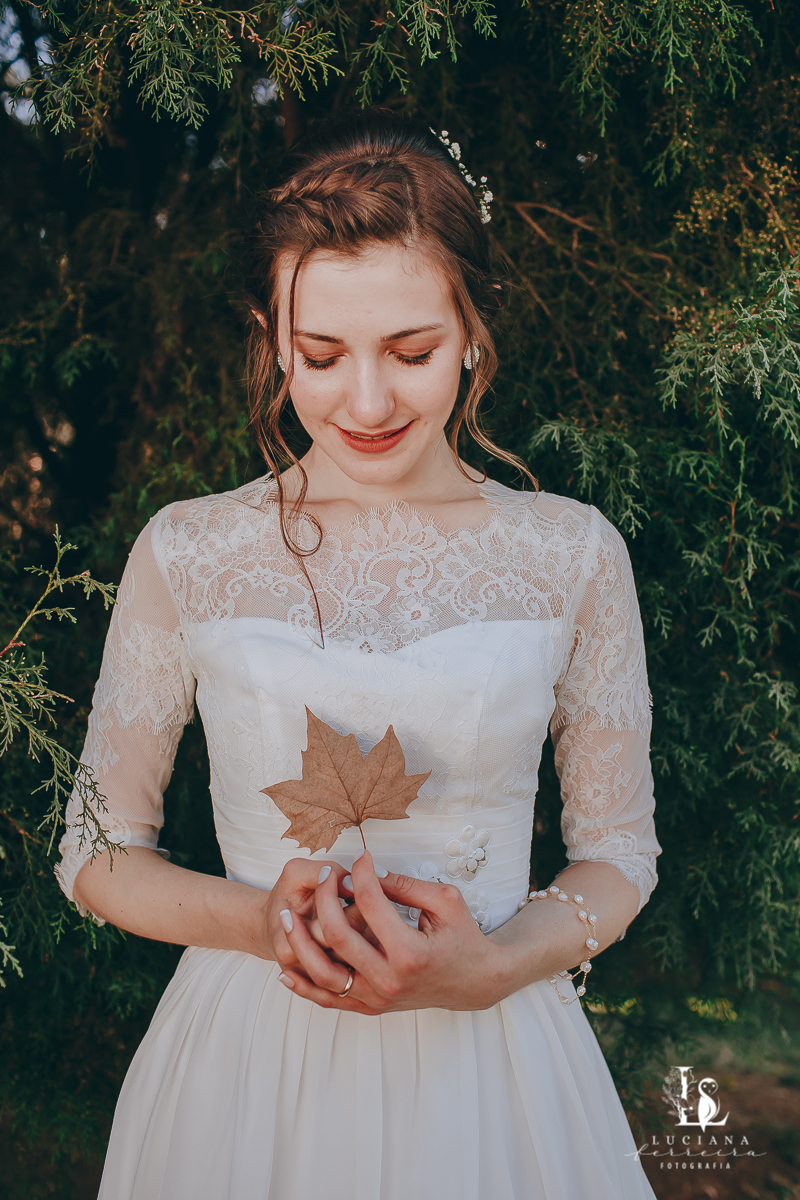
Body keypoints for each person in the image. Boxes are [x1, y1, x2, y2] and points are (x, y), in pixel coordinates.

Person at [56, 109, 660, 1200]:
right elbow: (95, 853)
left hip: (492, 1067)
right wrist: (259, 919)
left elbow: (619, 851)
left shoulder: (569, 553)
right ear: (269, 334)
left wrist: (496, 966)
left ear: (472, 331)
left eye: (413, 352)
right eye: (322, 356)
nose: (367, 402)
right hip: (246, 1067)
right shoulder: (188, 549)